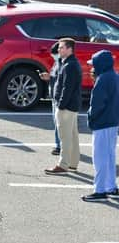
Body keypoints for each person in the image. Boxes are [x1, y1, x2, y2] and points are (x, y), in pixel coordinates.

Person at [81, 50, 119, 201]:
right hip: (113, 122)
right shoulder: (115, 77)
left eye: (94, 64)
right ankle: (111, 186)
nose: (92, 67)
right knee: (109, 156)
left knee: (100, 157)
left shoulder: (102, 79)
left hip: (102, 123)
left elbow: (96, 104)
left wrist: (91, 118)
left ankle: (100, 190)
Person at [45, 38, 82, 175]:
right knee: (72, 135)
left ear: (69, 49)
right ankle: (73, 163)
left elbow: (68, 88)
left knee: (65, 137)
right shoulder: (66, 63)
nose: (58, 50)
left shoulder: (70, 65)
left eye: (61, 48)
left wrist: (60, 105)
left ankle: (63, 165)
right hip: (71, 105)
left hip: (66, 107)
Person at [39, 42, 62, 156]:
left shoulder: (64, 64)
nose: (53, 57)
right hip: (54, 97)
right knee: (57, 123)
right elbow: (55, 77)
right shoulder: (57, 63)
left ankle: (60, 146)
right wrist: (49, 77)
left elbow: (62, 81)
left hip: (59, 99)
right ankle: (59, 145)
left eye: (54, 54)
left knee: (60, 124)